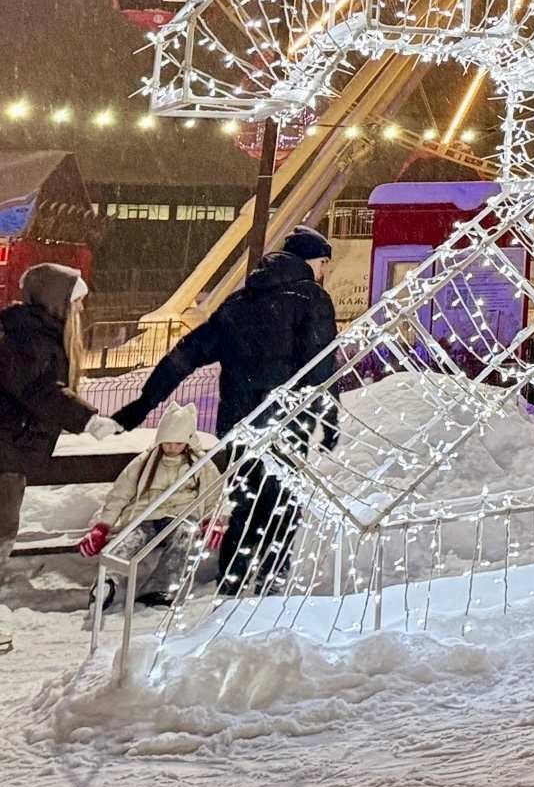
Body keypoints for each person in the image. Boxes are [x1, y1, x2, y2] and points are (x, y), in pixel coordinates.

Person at [113, 227, 338, 594]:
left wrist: (143, 403)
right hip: (285, 424)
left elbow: (186, 354)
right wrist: (328, 419)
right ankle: (271, 581)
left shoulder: (238, 303)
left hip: (238, 426)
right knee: (281, 505)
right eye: (325, 263)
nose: (326, 271)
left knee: (244, 503)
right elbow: (321, 366)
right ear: (314, 261)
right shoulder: (311, 297)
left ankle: (232, 581)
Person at [0, 263, 120, 653]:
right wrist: (88, 419)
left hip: (11, 453)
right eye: (77, 302)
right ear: (56, 301)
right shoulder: (26, 336)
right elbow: (39, 390)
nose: (81, 311)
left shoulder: (32, 333)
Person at [80, 403, 225, 611]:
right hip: (146, 516)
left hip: (181, 517)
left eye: (178, 443)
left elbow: (213, 494)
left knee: (185, 536)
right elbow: (120, 494)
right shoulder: (145, 462)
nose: (172, 448)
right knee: (129, 541)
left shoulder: (201, 465)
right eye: (167, 443)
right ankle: (107, 582)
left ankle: (160, 588)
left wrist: (212, 519)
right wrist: (103, 526)